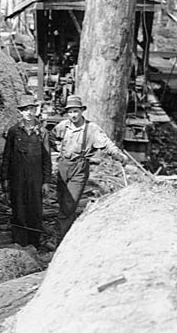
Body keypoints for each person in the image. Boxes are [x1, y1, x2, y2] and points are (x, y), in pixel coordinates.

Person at [50, 95, 130, 239]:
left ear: (82, 111)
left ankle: (59, 239)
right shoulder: (63, 126)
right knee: (63, 201)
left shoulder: (91, 128)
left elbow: (106, 143)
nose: (73, 115)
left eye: (76, 111)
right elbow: (51, 137)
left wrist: (118, 155)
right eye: (70, 112)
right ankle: (71, 234)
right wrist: (57, 146)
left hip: (79, 168)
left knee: (69, 203)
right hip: (63, 166)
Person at [1, 95, 52, 248]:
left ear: (35, 110)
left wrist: (46, 181)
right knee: (18, 208)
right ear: (20, 112)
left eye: (31, 109)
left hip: (36, 177)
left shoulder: (42, 132)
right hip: (17, 176)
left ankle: (34, 243)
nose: (28, 112)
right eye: (25, 110)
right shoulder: (14, 131)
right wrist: (5, 178)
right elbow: (7, 156)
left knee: (35, 209)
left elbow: (47, 158)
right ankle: (20, 243)